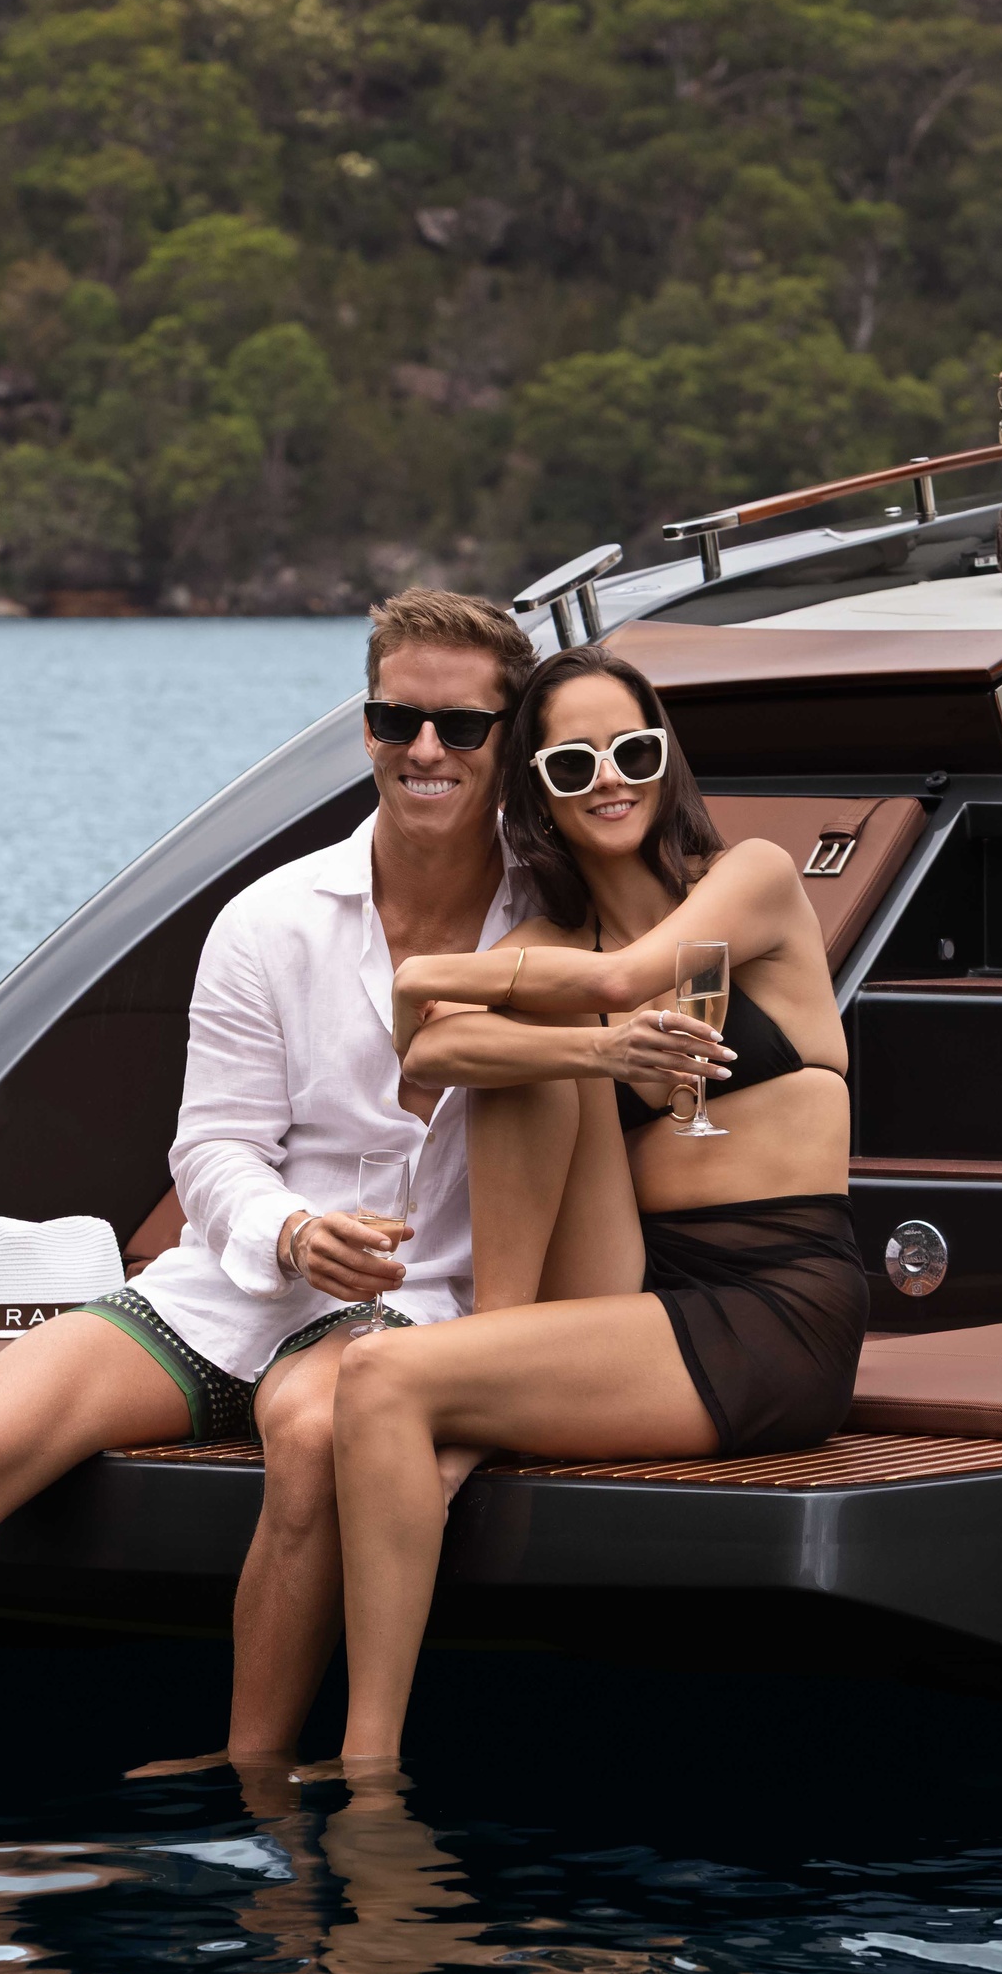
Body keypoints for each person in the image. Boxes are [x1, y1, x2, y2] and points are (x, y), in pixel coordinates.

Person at [0, 589, 537, 1789]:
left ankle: (252, 1771)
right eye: (397, 718)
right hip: (235, 1289)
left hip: (424, 1297)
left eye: (462, 726)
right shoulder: (268, 918)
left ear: (508, 737)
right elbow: (211, 1148)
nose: (426, 748)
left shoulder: (554, 924)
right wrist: (291, 1230)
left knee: (311, 1431)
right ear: (366, 725)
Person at [316, 642, 868, 1775]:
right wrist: (578, 1044)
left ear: (667, 760)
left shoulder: (751, 878)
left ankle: (368, 1770)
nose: (609, 778)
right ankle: (497, 1353)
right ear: (538, 792)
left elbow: (627, 979)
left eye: (633, 750)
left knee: (379, 1378)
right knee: (530, 1060)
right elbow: (432, 1052)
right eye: (573, 762)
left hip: (775, 1304)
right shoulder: (551, 948)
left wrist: (435, 975)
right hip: (639, 1284)